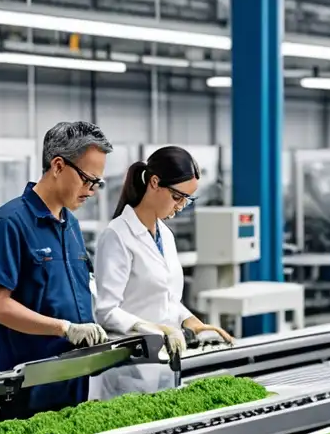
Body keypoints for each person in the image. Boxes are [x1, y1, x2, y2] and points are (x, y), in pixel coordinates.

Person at [0, 121, 113, 413]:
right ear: (58, 165)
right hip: (29, 389)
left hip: (74, 381)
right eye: (88, 180)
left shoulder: (71, 225)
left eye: (97, 184)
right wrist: (64, 328)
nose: (91, 191)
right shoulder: (9, 224)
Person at [90, 145, 234, 400]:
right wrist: (156, 329)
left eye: (188, 200)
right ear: (154, 183)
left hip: (167, 362)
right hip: (129, 369)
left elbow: (166, 298)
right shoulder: (117, 235)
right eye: (178, 197)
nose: (181, 206)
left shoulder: (165, 235)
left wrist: (192, 322)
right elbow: (106, 311)